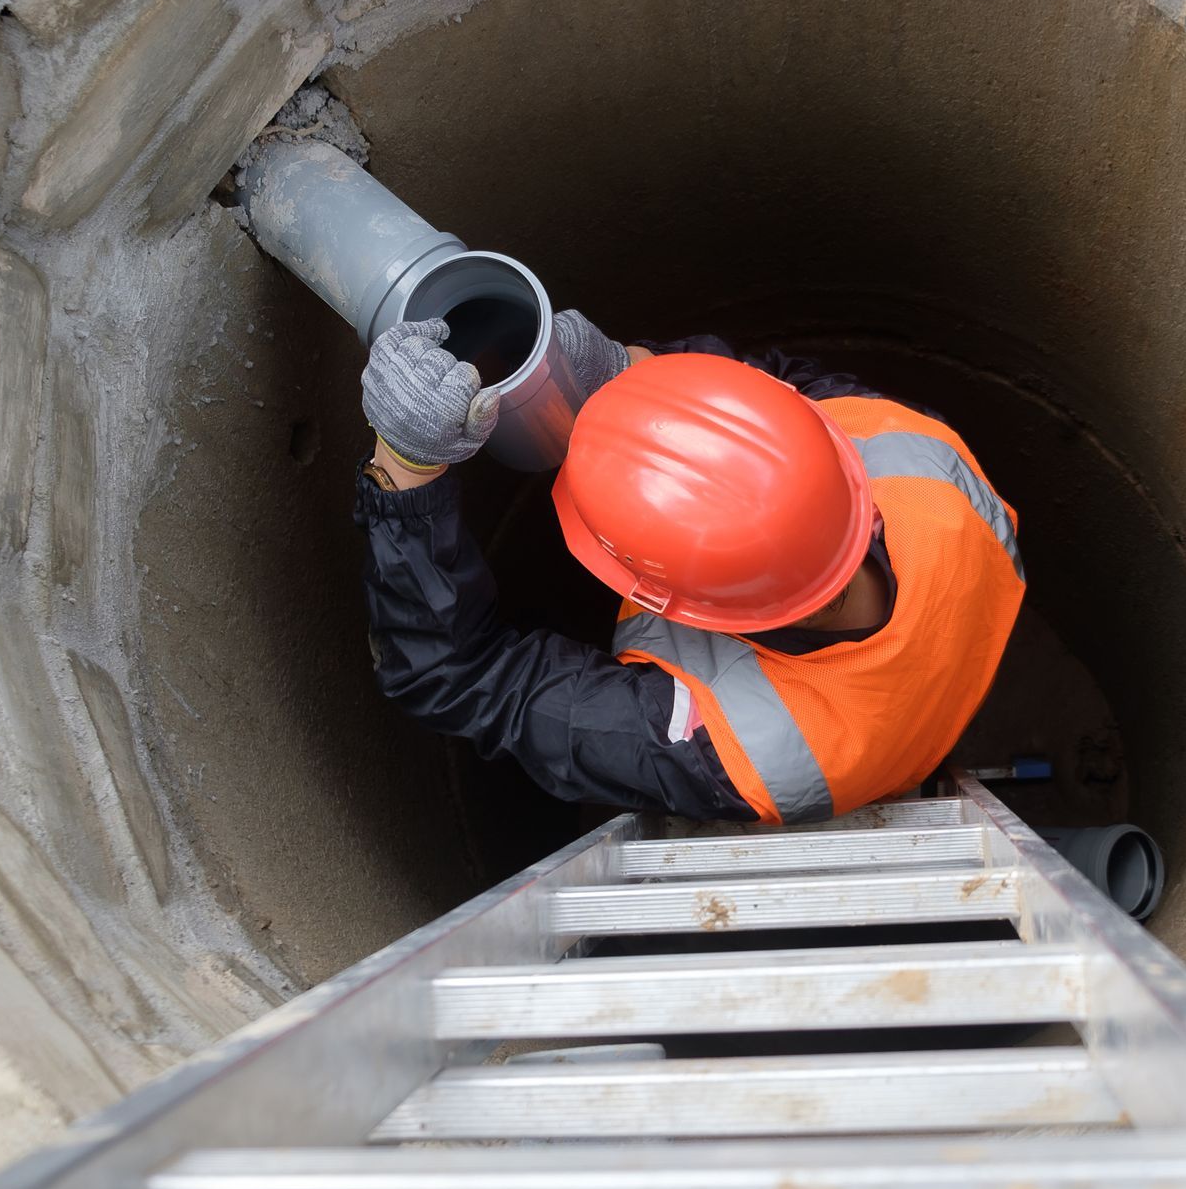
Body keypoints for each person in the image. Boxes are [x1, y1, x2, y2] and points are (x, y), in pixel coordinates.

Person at [354, 310, 1026, 824]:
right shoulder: (925, 459)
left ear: (678, 604)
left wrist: (406, 467)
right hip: (951, 673)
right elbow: (781, 391)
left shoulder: (745, 746)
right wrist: (633, 371)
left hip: (858, 756)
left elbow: (465, 678)